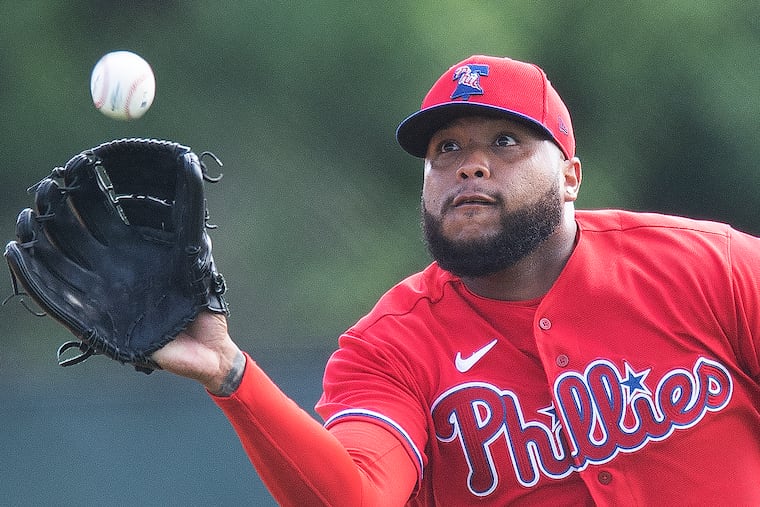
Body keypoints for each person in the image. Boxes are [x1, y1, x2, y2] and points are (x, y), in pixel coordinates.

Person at [152, 55, 760, 505]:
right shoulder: (390, 349)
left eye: (505, 140)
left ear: (570, 176)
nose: (469, 163)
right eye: (445, 148)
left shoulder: (711, 267)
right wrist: (229, 372)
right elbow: (358, 497)